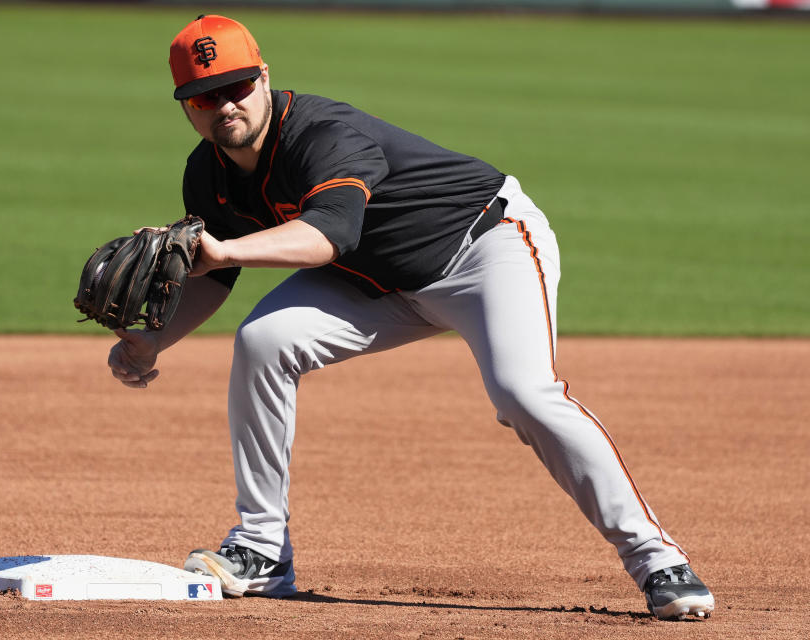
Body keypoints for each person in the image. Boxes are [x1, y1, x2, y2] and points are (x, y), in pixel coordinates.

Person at [106, 14, 714, 620]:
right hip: (380, 283)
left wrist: (226, 250)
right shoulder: (206, 173)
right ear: (186, 105)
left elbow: (330, 234)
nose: (225, 105)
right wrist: (147, 341)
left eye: (237, 86)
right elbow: (218, 275)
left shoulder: (322, 134)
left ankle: (657, 558)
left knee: (522, 392)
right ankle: (263, 552)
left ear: (263, 77)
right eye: (205, 95)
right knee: (265, 340)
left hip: (483, 248)